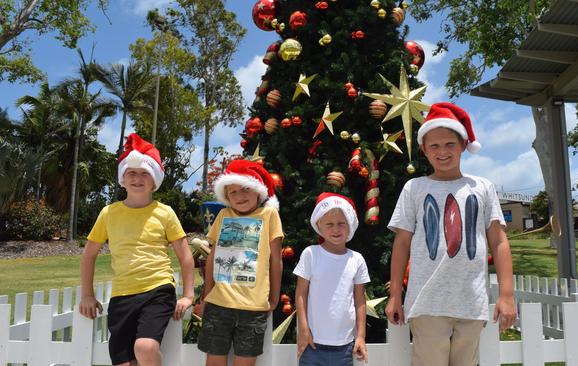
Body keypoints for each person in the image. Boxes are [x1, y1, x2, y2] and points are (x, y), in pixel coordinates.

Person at [385, 102, 516, 366]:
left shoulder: (482, 187)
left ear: (464, 145)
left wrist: (506, 295)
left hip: (471, 302)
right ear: (423, 148)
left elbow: (499, 242)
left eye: (450, 144)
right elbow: (401, 244)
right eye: (434, 146)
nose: (442, 151)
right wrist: (395, 294)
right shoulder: (414, 188)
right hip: (427, 302)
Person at [79, 133, 195, 366]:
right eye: (131, 173)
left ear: (155, 181)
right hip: (122, 295)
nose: (138, 178)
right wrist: (87, 295)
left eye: (145, 173)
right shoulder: (108, 213)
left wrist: (188, 295)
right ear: (122, 178)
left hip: (157, 289)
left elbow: (185, 256)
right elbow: (88, 256)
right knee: (123, 362)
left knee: (145, 347)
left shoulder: (165, 212)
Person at [197, 159, 284, 366]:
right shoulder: (224, 215)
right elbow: (212, 256)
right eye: (232, 192)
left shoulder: (269, 215)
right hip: (219, 303)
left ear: (258, 191)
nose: (239, 196)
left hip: (253, 308)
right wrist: (207, 294)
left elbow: (276, 259)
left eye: (245, 189)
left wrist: (274, 297)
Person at [294, 192, 370, 366]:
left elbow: (360, 300)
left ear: (350, 225)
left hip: (345, 346)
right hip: (312, 343)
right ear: (319, 226)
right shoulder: (310, 254)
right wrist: (303, 329)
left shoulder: (356, 259)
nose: (336, 229)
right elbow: (300, 293)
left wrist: (360, 336)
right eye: (329, 224)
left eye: (341, 224)